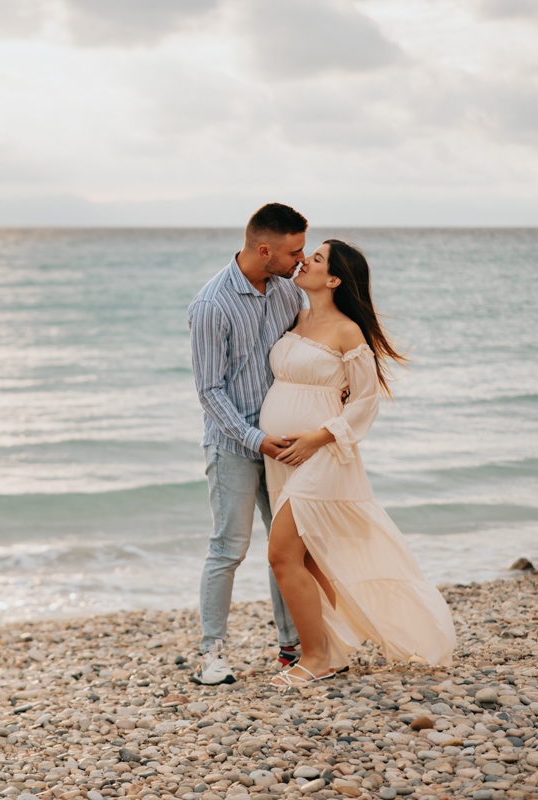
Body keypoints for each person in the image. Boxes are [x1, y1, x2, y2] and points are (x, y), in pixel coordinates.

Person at [261, 240, 455, 688]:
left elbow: (364, 403)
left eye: (317, 258)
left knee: (282, 554)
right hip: (284, 458)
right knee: (308, 560)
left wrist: (318, 436)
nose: (306, 260)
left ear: (334, 279)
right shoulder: (297, 315)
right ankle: (330, 650)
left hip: (324, 454)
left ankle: (314, 659)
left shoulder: (348, 331)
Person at [187, 202, 310, 686]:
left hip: (283, 446)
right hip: (235, 447)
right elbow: (208, 392)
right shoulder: (211, 305)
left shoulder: (287, 293)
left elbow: (302, 351)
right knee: (228, 549)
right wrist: (255, 439)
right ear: (265, 250)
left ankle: (293, 646)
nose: (301, 260)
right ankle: (212, 653)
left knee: (287, 549)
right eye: (294, 251)